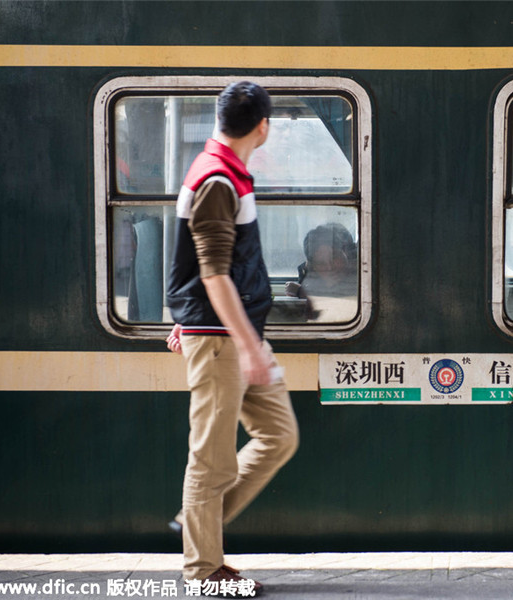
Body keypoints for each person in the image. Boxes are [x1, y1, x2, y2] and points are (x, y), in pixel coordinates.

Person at [165, 81, 300, 595]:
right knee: (211, 458)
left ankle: (198, 525)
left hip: (229, 330)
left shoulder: (223, 170)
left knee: (279, 435)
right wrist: (248, 348)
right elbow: (214, 272)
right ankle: (203, 569)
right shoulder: (217, 178)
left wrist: (189, 313)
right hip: (224, 338)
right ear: (261, 126)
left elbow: (195, 263)